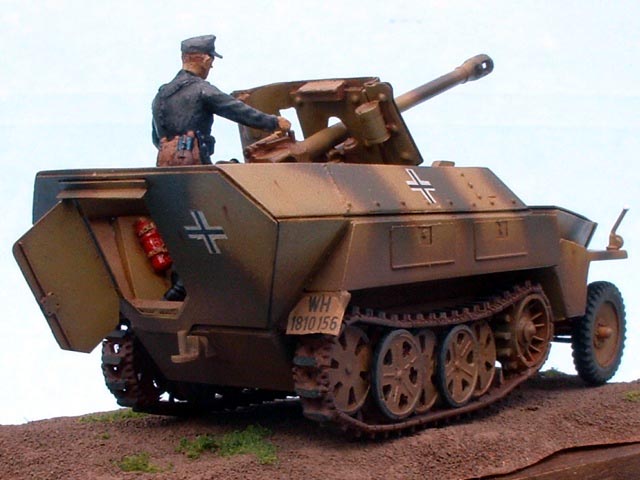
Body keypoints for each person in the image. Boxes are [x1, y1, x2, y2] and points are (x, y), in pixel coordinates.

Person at [152, 34, 291, 166]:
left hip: (166, 165)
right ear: (206, 60)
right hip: (197, 163)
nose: (211, 67)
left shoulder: (161, 94)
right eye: (211, 62)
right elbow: (236, 110)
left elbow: (156, 137)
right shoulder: (202, 90)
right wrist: (274, 122)